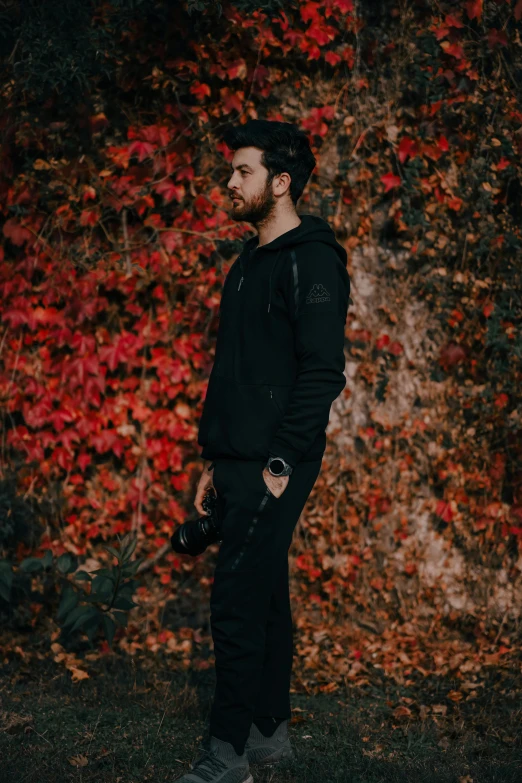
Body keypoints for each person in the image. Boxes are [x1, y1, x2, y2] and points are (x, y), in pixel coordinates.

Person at [177, 119, 350, 783]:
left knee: (235, 600)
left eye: (242, 171)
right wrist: (209, 456)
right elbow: (234, 371)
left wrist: (279, 460)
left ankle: (226, 754)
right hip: (236, 457)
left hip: (277, 461)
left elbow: (322, 371)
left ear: (279, 182)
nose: (230, 181)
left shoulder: (313, 260)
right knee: (266, 590)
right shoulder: (246, 264)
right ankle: (269, 733)